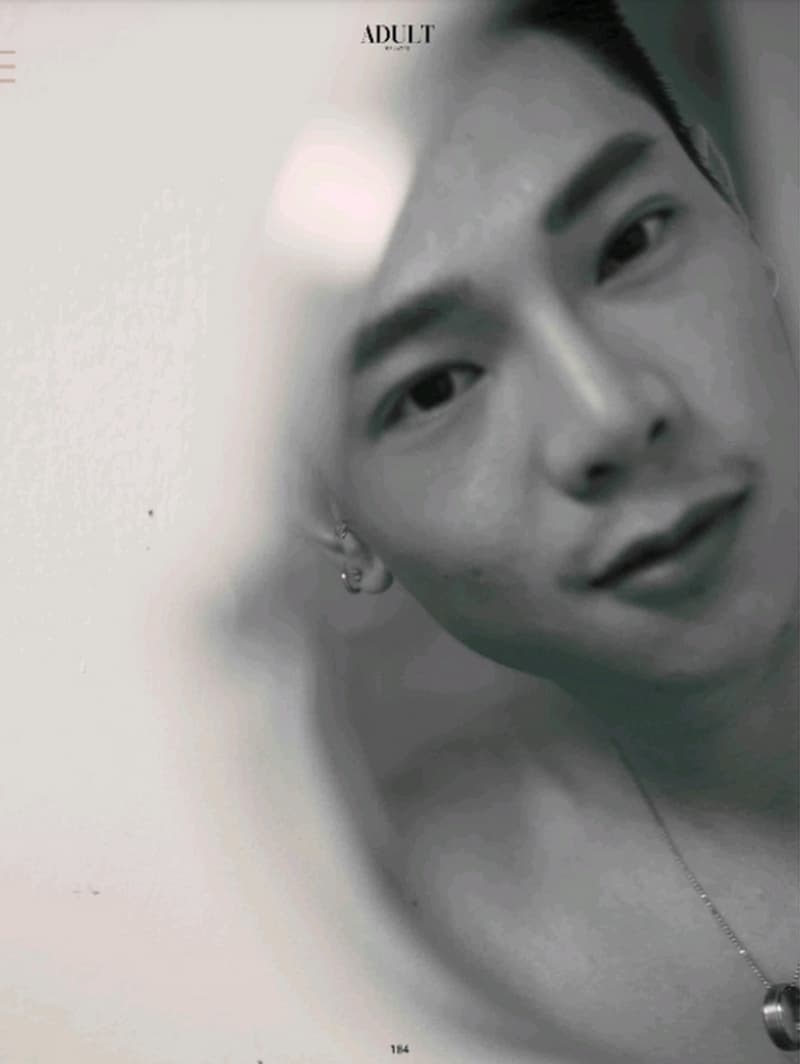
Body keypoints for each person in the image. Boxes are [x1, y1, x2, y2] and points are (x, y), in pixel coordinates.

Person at [308, 2, 799, 1060]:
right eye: (433, 387)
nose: (609, 414)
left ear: (732, 207)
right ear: (335, 524)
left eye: (629, 243)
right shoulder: (423, 942)